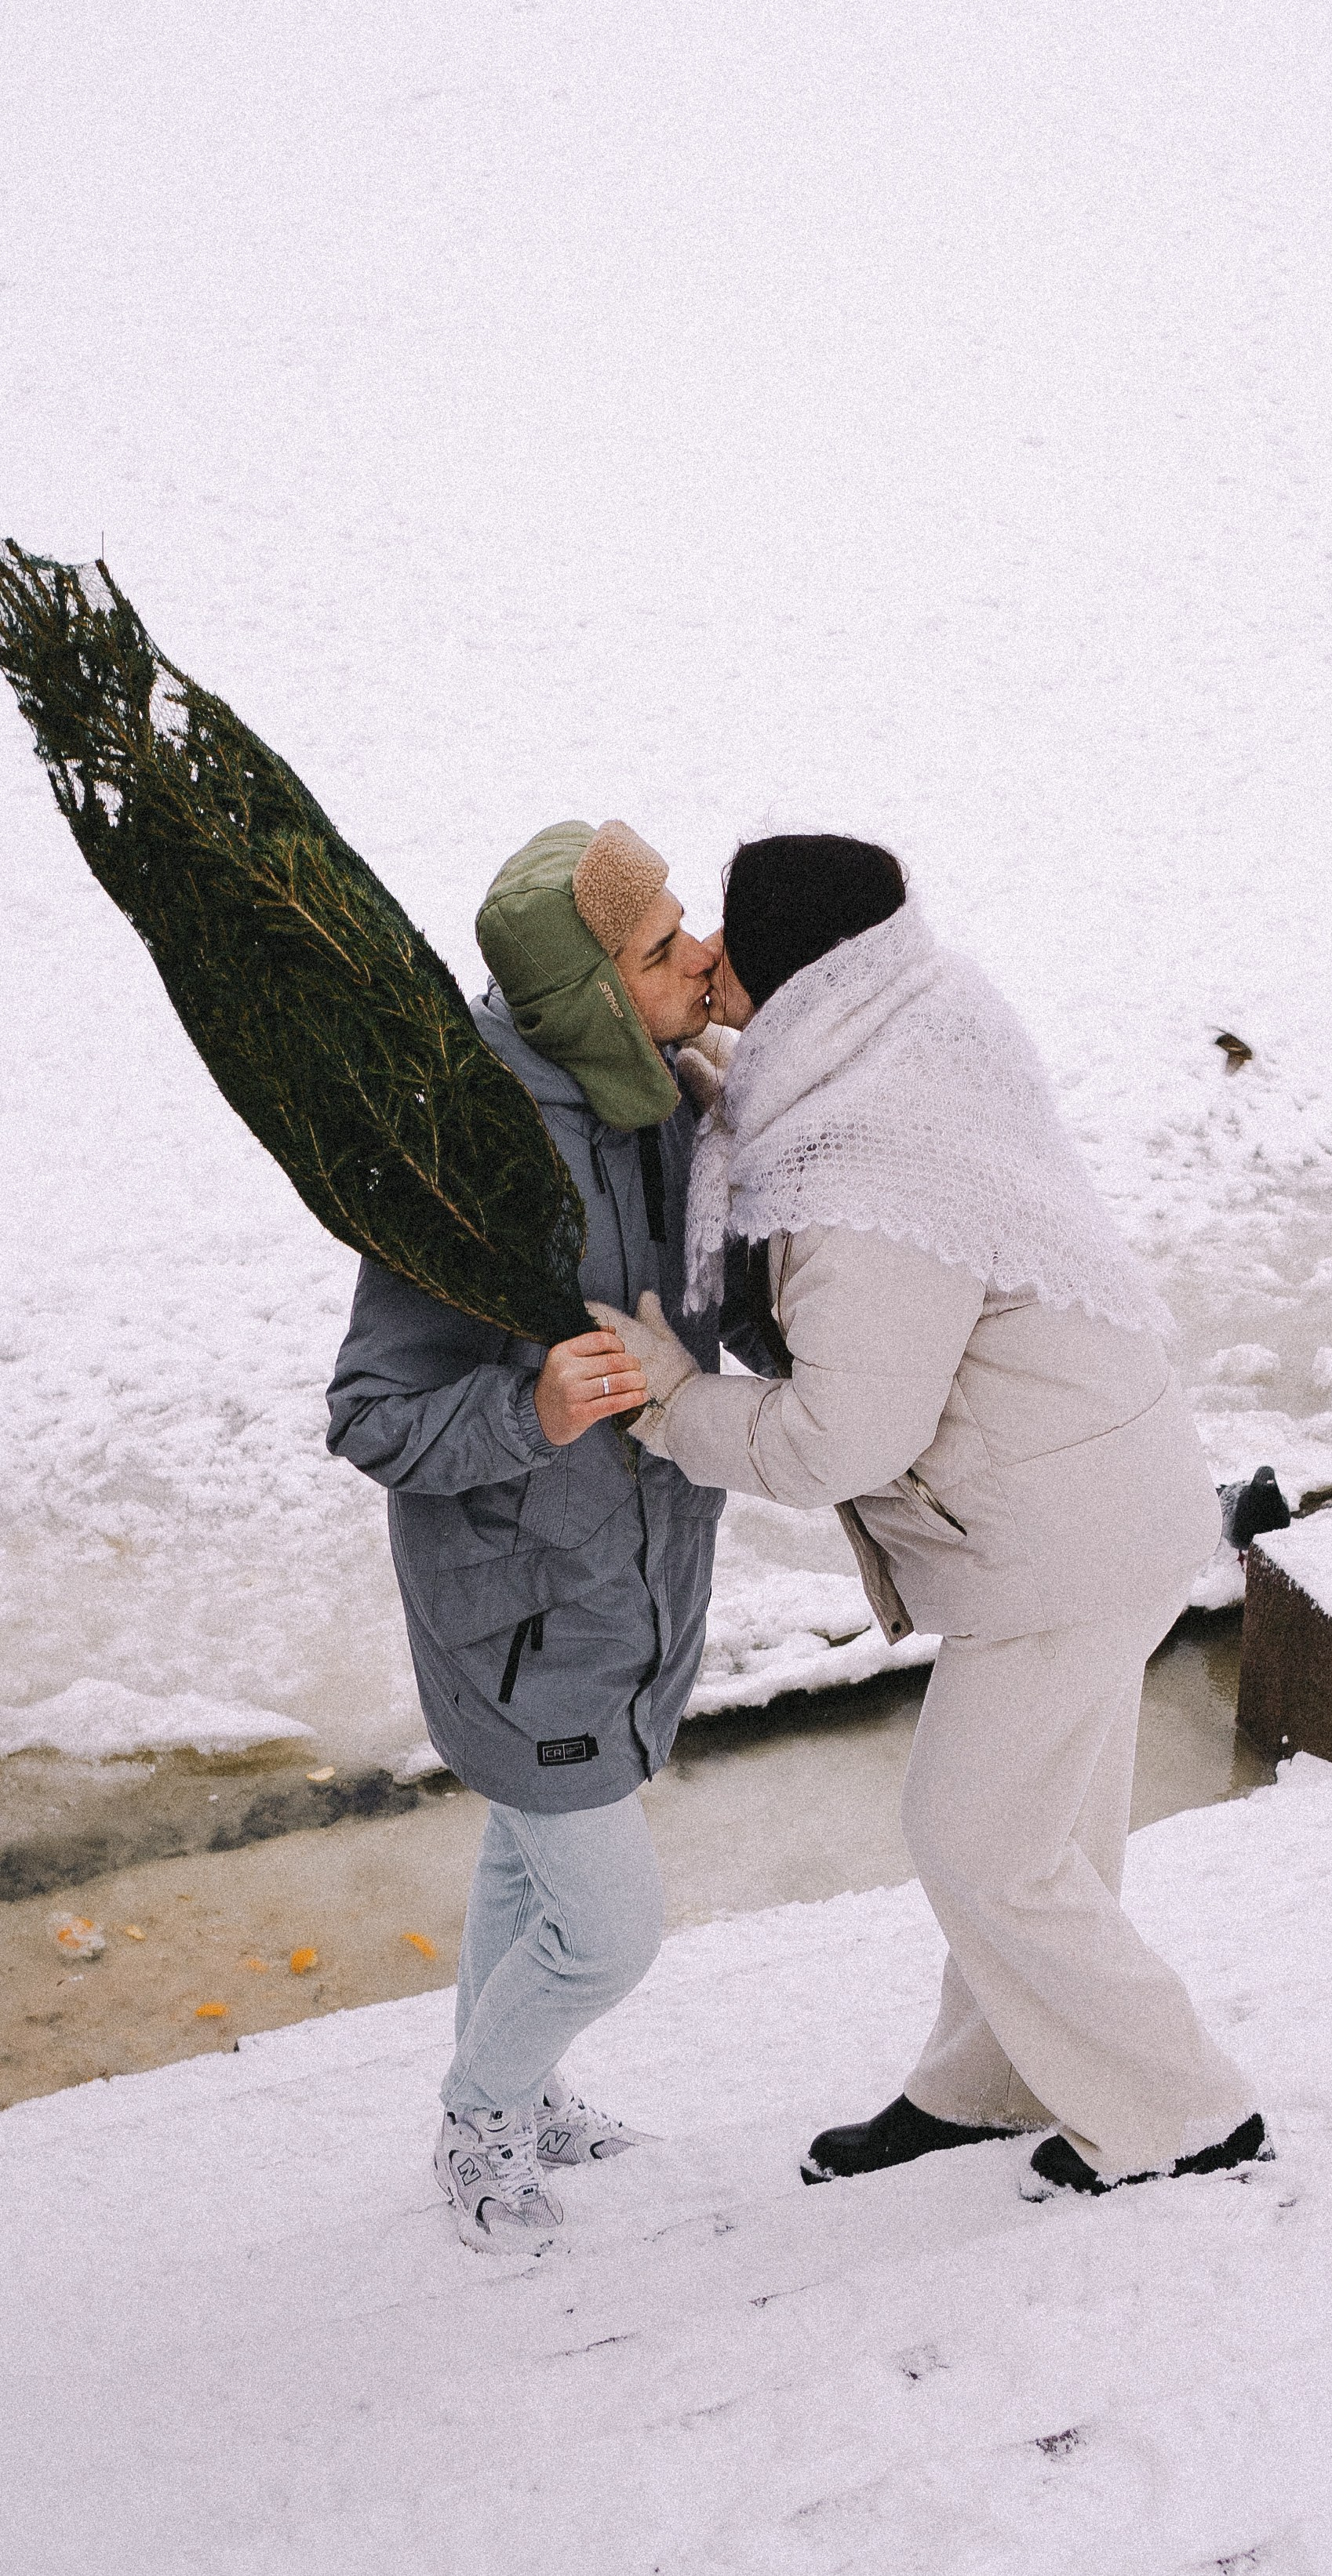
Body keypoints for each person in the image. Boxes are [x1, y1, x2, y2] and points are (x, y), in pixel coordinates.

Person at [595, 834, 1268, 2199]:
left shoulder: (865, 1178)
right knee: (1048, 1827)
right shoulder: (925, 1007)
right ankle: (996, 2080)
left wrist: (667, 1402)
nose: (712, 957)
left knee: (977, 1838)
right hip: (1099, 1481)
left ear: (806, 977)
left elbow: (843, 1431)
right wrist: (735, 1066)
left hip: (1057, 1538)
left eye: (734, 943)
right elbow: (817, 1108)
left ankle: (1186, 2116)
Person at [326, 817, 731, 2253]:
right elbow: (370, 1413)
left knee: (524, 1862)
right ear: (582, 999)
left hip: (625, 1579)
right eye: (662, 947)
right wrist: (530, 1404)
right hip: (521, 1617)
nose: (702, 957)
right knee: (609, 1928)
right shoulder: (472, 1152)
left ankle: (529, 2088)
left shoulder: (659, 1096)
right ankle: (480, 2112)